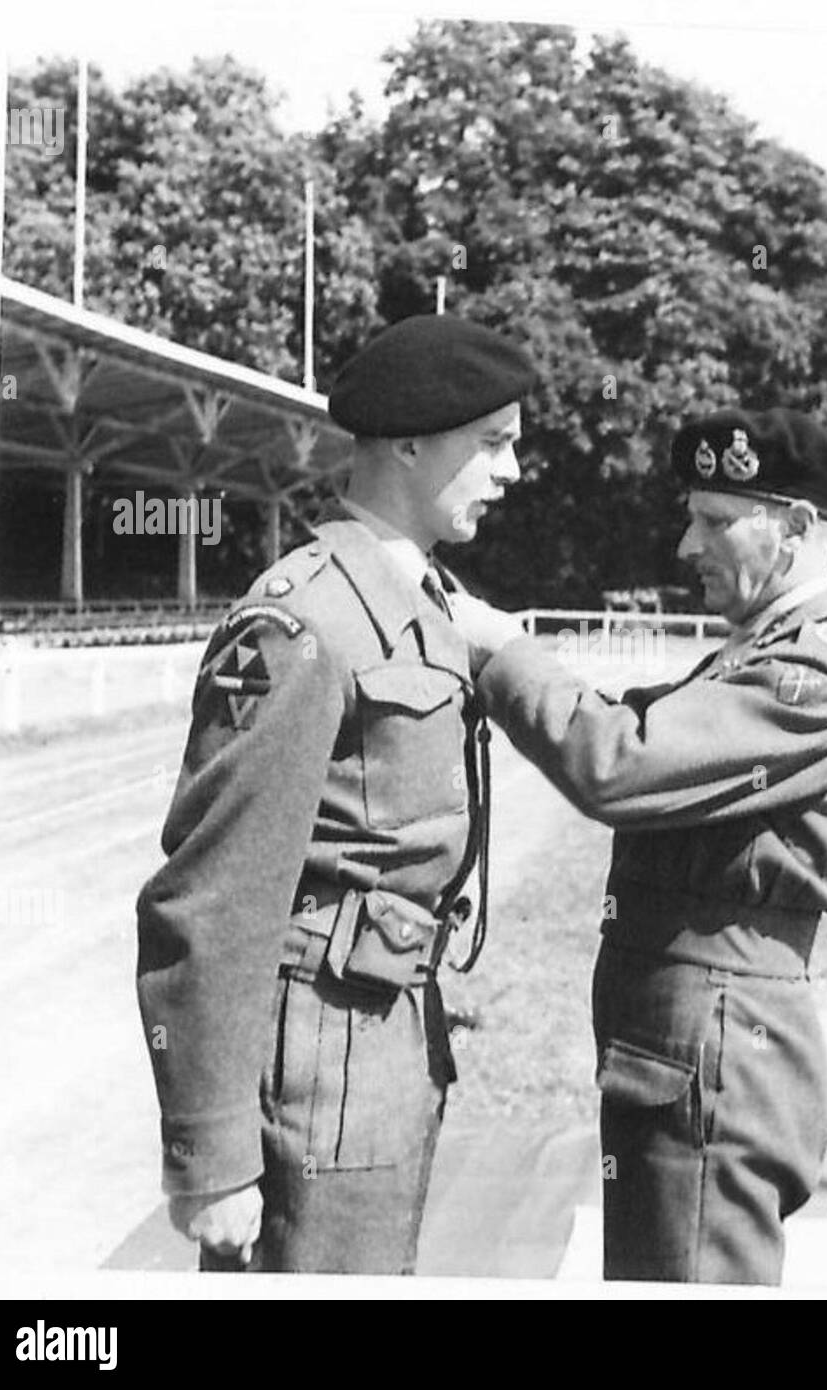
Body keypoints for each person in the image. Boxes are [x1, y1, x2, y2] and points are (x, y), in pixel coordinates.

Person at [135, 314, 537, 1273]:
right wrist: (214, 1155)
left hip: (385, 1042)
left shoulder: (419, 600)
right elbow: (211, 898)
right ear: (407, 444)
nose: (512, 470)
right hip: (319, 1075)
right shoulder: (305, 619)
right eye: (492, 444)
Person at [452, 407, 827, 1285]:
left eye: (717, 521)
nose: (688, 545)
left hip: (718, 1042)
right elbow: (634, 718)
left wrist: (497, 647)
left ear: (798, 529)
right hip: (693, 1036)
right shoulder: (766, 652)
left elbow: (616, 762)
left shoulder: (812, 675)